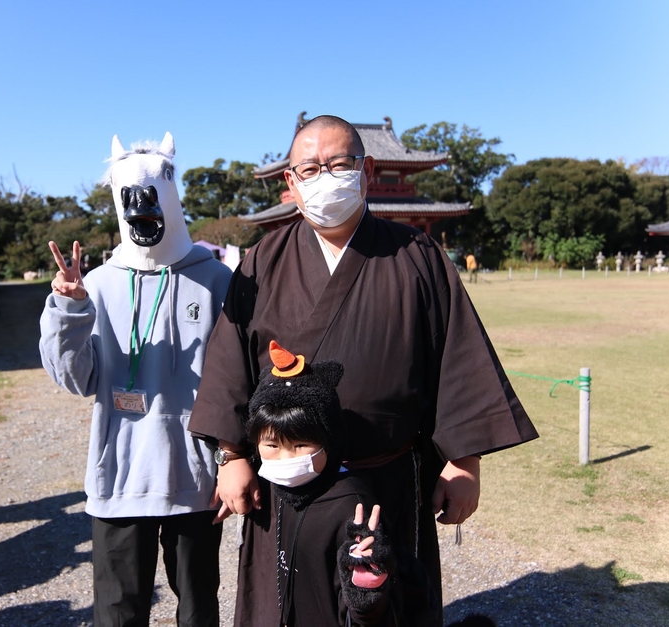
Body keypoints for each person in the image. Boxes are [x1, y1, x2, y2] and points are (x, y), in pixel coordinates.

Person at [189, 115, 538, 626]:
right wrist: (231, 455)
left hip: (386, 481)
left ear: (366, 170)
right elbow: (228, 364)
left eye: (338, 164)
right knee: (287, 606)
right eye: (308, 168)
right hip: (289, 484)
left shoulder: (419, 256)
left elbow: (457, 363)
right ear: (289, 181)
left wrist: (465, 464)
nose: (323, 176)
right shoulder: (263, 261)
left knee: (383, 607)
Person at [39, 132, 232, 627]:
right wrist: (68, 308)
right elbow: (77, 380)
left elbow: (239, 379)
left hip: (195, 479)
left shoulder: (216, 281)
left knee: (197, 609)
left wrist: (234, 456)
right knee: (118, 613)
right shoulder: (96, 284)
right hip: (119, 479)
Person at [238, 339, 433, 626]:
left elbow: (370, 608)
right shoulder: (287, 493)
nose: (286, 458)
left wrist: (367, 592)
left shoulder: (352, 508)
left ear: (329, 439)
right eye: (271, 445)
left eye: (301, 444)